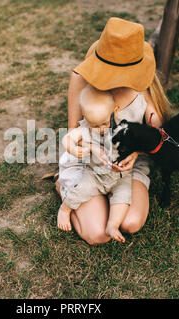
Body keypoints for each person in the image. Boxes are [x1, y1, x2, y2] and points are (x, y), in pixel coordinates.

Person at [56, 17, 171, 245]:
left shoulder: (143, 89)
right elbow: (73, 134)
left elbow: (159, 139)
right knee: (98, 235)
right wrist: (88, 149)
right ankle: (64, 186)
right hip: (90, 164)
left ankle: (107, 198)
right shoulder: (81, 79)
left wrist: (136, 154)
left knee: (131, 223)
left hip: (126, 169)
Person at [57, 84, 132, 243]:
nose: (101, 129)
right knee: (81, 189)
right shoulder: (86, 129)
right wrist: (79, 145)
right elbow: (69, 138)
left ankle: (113, 225)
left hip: (120, 175)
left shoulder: (122, 126)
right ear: (86, 118)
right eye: (95, 125)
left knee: (124, 195)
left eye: (104, 123)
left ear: (115, 111)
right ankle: (65, 209)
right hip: (95, 176)